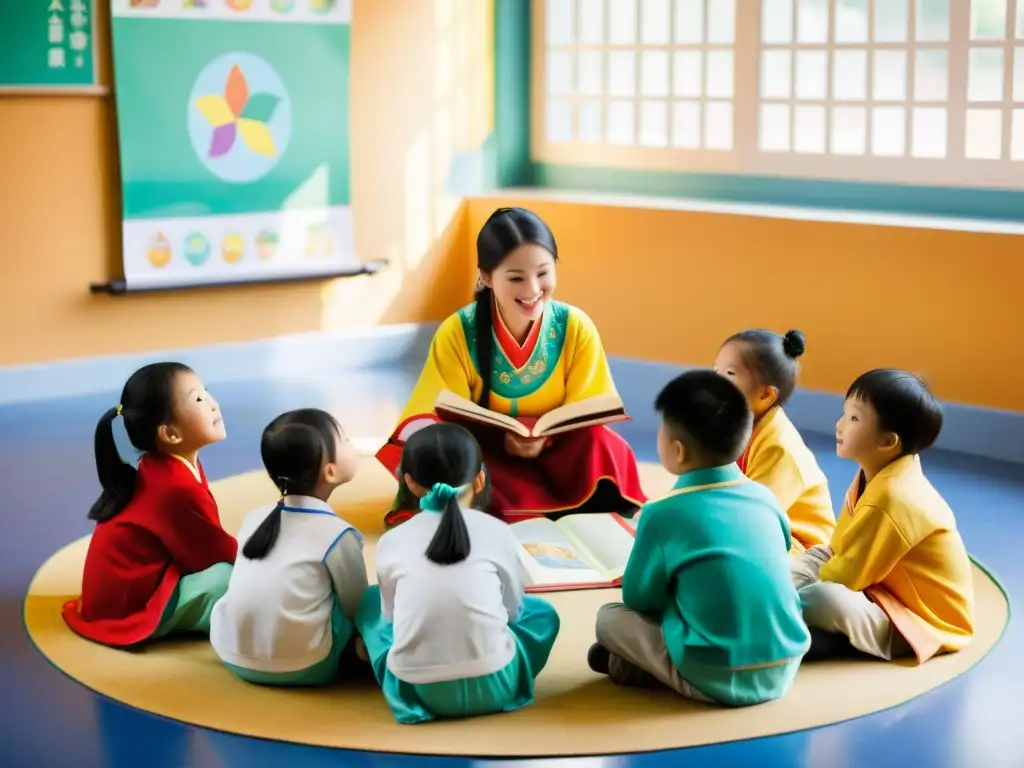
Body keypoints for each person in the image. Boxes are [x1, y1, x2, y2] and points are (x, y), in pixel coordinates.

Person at [376, 206, 646, 527]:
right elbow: (434, 415)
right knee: (446, 458)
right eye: (516, 277)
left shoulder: (575, 326)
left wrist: (546, 437)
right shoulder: (458, 331)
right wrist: (496, 439)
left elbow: (591, 405)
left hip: (557, 453)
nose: (532, 290)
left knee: (604, 444)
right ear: (487, 277)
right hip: (486, 458)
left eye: (543, 273)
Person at [589, 370, 809, 707]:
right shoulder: (765, 497)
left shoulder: (661, 513)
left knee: (609, 618)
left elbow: (638, 598)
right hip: (785, 667)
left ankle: (643, 669)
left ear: (678, 451)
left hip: (714, 673)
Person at [356, 422, 561, 724]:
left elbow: (390, 615)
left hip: (420, 691)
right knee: (543, 613)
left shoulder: (391, 541)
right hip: (497, 685)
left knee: (371, 602)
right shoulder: (498, 531)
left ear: (409, 482)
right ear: (480, 480)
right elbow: (514, 610)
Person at [792, 369, 974, 663]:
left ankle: (780, 624)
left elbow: (846, 577)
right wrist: (791, 575)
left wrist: (790, 587)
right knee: (804, 566)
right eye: (844, 413)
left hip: (919, 621)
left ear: (888, 441)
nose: (839, 425)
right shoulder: (876, 473)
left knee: (825, 598)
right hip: (883, 591)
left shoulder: (893, 497)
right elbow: (838, 549)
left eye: (853, 419)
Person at [61, 363, 237, 647]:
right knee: (229, 581)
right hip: (132, 606)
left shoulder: (167, 467)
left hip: (131, 591)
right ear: (171, 434)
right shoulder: (174, 486)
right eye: (199, 399)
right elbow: (209, 556)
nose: (213, 404)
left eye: (207, 392)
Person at [210, 408, 369, 686]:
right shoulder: (339, 535)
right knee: (376, 603)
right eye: (344, 440)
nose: (351, 443)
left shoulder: (254, 518)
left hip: (232, 656)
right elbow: (357, 607)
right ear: (330, 471)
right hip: (306, 666)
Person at [714, 328, 835, 553]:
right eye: (715, 371)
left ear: (765, 395)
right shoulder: (733, 424)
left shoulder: (779, 448)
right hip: (755, 523)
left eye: (729, 374)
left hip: (801, 549)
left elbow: (752, 518)